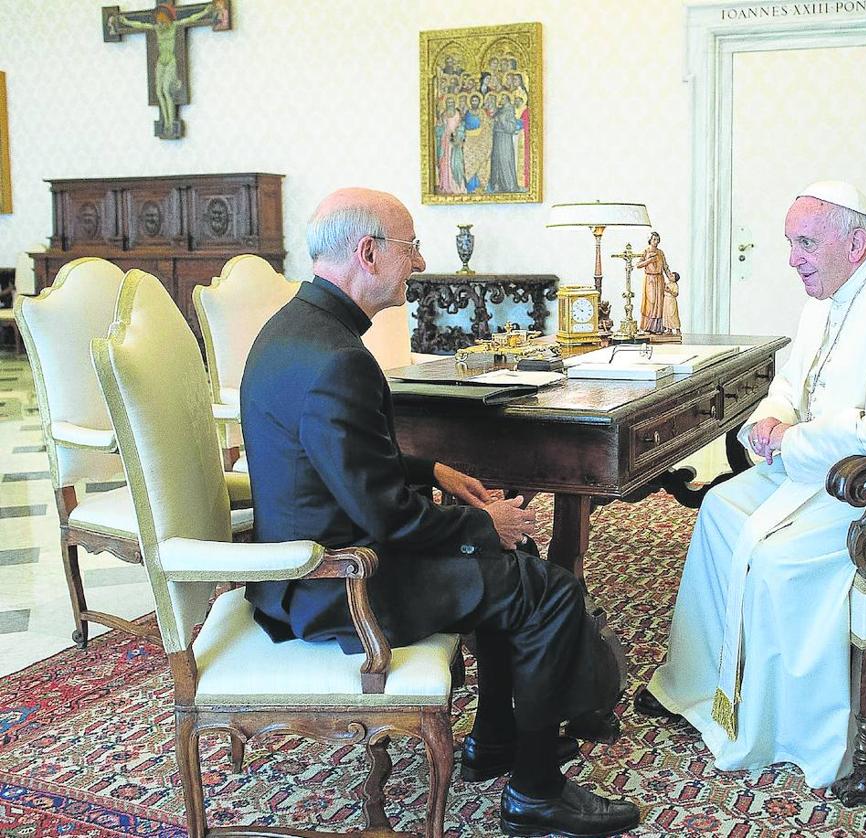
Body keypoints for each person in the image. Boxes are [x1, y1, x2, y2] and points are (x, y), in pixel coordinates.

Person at [240, 188, 639, 837]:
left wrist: (432, 471)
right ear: (367, 253)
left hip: (316, 567)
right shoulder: (338, 360)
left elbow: (337, 467)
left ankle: (497, 737)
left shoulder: (295, 330)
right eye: (410, 246)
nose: (420, 261)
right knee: (551, 592)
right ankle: (536, 795)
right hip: (341, 584)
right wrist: (487, 523)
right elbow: (389, 521)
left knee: (520, 561)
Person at [637, 182, 866, 788]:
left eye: (805, 242)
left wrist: (790, 442)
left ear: (855, 243)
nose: (792, 258)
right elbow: (792, 385)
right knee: (721, 509)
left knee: (781, 557)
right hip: (841, 475)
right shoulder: (828, 296)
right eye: (790, 242)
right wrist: (766, 422)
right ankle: (701, 685)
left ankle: (794, 730)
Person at [116, 3, 215, 136]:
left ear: (168, 18)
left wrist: (205, 11)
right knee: (158, 92)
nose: (161, 24)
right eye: (158, 21)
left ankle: (170, 122)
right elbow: (140, 25)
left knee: (166, 91)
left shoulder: (175, 26)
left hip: (170, 62)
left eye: (163, 21)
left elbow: (192, 18)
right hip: (161, 62)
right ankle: (166, 122)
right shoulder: (157, 29)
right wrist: (126, 21)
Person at [635, 231, 670, 334]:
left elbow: (665, 266)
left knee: (659, 302)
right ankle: (647, 326)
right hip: (650, 279)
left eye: (657, 240)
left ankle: (657, 327)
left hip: (659, 279)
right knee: (651, 301)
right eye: (654, 239)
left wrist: (671, 278)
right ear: (650, 240)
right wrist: (649, 261)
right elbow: (638, 265)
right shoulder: (646, 251)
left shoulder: (660, 252)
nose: (656, 242)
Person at [662, 271, 682, 335]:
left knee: (672, 315)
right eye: (671, 275)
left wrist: (670, 291)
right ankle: (669, 329)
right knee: (666, 315)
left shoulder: (675, 285)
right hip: (666, 300)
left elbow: (676, 294)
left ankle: (677, 329)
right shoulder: (668, 284)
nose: (670, 276)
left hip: (671, 301)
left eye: (672, 276)